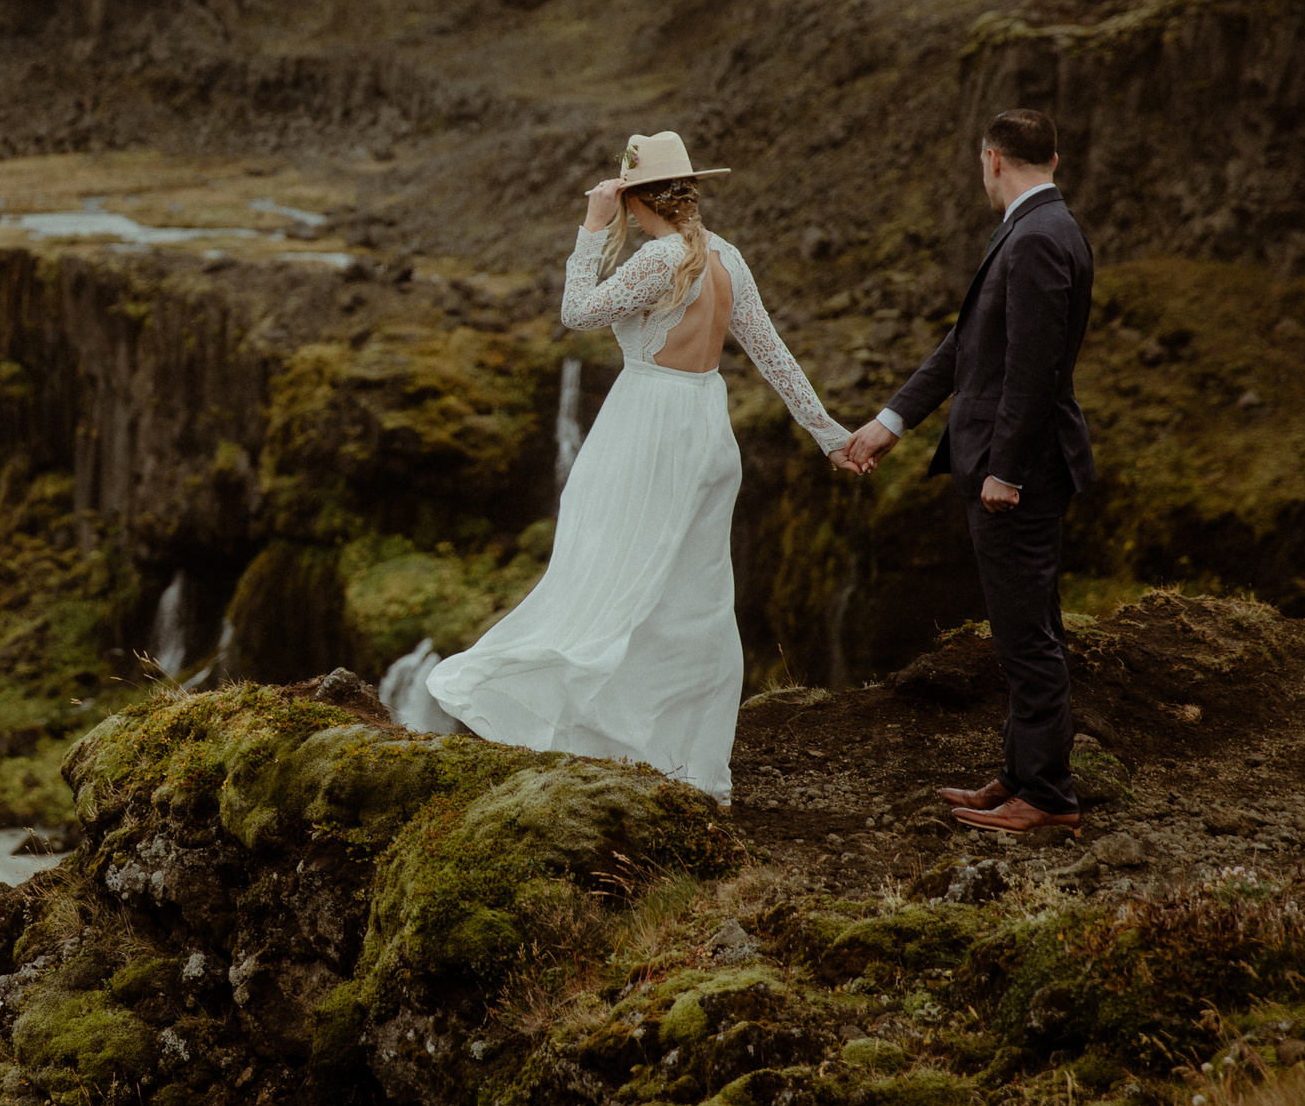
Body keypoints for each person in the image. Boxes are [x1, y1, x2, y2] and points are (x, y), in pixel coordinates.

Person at [425, 130, 852, 806]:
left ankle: (609, 737)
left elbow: (575, 313)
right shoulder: (728, 258)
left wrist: (591, 230)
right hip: (708, 428)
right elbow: (774, 356)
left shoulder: (656, 262)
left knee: (607, 572)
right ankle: (689, 762)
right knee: (693, 598)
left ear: (633, 198)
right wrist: (829, 434)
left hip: (646, 428)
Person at [840, 109, 1095, 832]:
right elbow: (968, 344)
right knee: (1022, 625)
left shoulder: (1040, 236)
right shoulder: (1034, 226)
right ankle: (1021, 773)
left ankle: (1046, 796)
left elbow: (1033, 370)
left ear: (991, 159)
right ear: (1053, 155)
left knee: (1026, 633)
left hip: (1020, 473)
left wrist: (1005, 470)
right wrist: (893, 422)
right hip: (1009, 462)